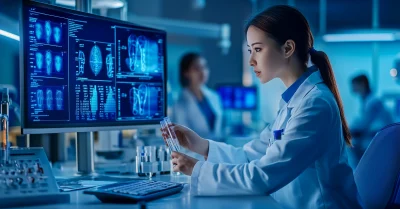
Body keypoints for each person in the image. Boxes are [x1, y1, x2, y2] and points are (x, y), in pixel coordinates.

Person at [162, 5, 362, 209]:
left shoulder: (315, 104)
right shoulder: (291, 103)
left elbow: (263, 175)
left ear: (287, 49)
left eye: (257, 49)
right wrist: (200, 144)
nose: (251, 60)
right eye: (250, 51)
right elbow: (250, 156)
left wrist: (196, 169)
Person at [172, 52, 223, 140]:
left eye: (204, 67)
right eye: (196, 68)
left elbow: (218, 129)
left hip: (215, 148)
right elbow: (182, 136)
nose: (202, 72)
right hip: (194, 152)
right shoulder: (180, 103)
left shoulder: (214, 96)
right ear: (186, 73)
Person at [348, 74, 393, 169]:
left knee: (353, 146)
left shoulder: (373, 102)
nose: (352, 88)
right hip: (377, 135)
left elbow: (365, 124)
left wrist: (348, 130)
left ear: (362, 84)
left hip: (381, 137)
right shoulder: (367, 100)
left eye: (354, 85)